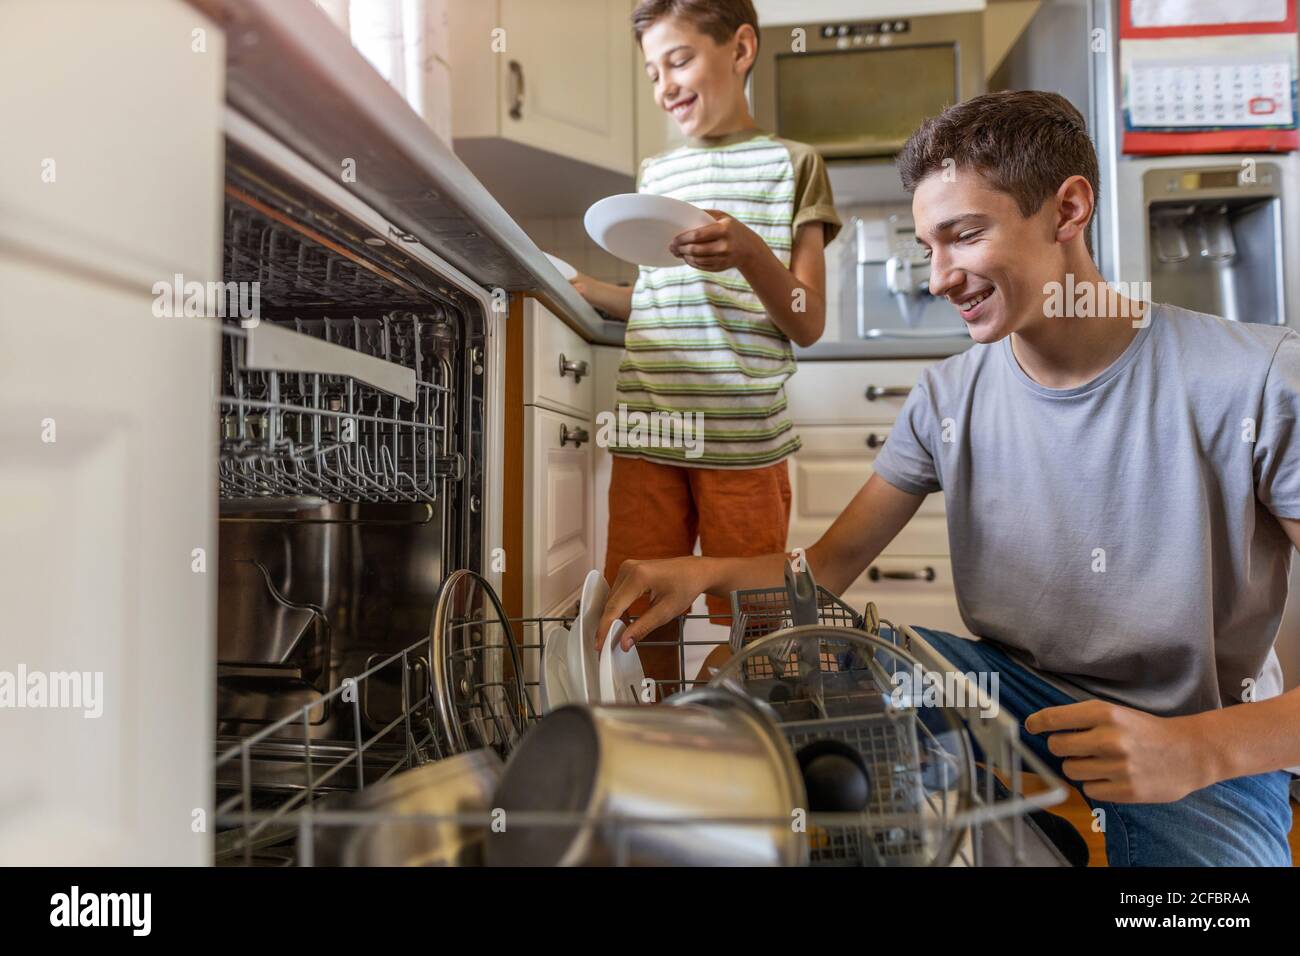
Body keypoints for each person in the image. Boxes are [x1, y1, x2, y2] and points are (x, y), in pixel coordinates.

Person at [596, 89, 1300, 866]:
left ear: (1068, 211)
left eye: (963, 237)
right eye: (928, 245)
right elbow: (822, 572)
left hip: (1198, 736)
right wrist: (701, 575)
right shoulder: (948, 396)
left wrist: (1197, 751)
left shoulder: (1256, 380)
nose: (938, 278)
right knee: (814, 653)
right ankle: (982, 818)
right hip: (1011, 692)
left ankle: (1033, 819)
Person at [570, 0, 840, 694]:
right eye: (653, 70)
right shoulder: (656, 174)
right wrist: (578, 286)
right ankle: (651, 748)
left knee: (758, 624)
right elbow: (661, 302)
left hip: (742, 442)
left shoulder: (794, 166)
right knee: (636, 617)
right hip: (648, 430)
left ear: (740, 48)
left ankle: (738, 743)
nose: (664, 84)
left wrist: (748, 248)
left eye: (680, 58)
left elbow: (807, 320)